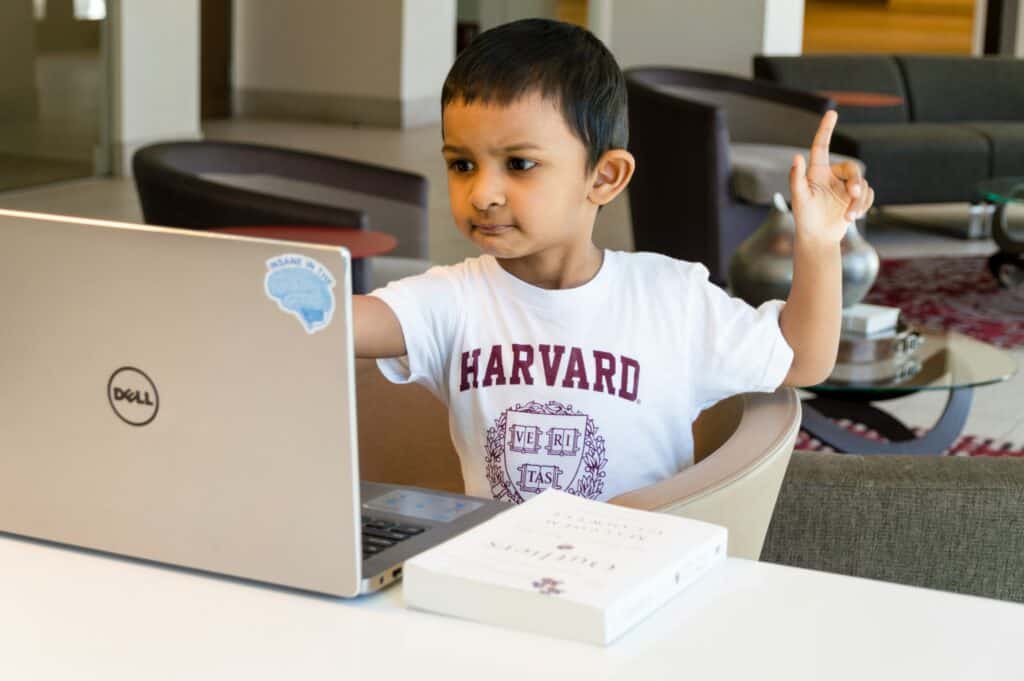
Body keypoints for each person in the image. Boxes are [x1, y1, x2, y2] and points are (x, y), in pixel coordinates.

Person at [353, 18, 874, 504]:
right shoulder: (451, 299)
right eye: (462, 164)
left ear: (604, 177)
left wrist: (820, 243)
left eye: (520, 164)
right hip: (498, 577)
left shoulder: (670, 297)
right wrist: (291, 290)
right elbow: (340, 323)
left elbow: (803, 359)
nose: (483, 192)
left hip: (640, 576)